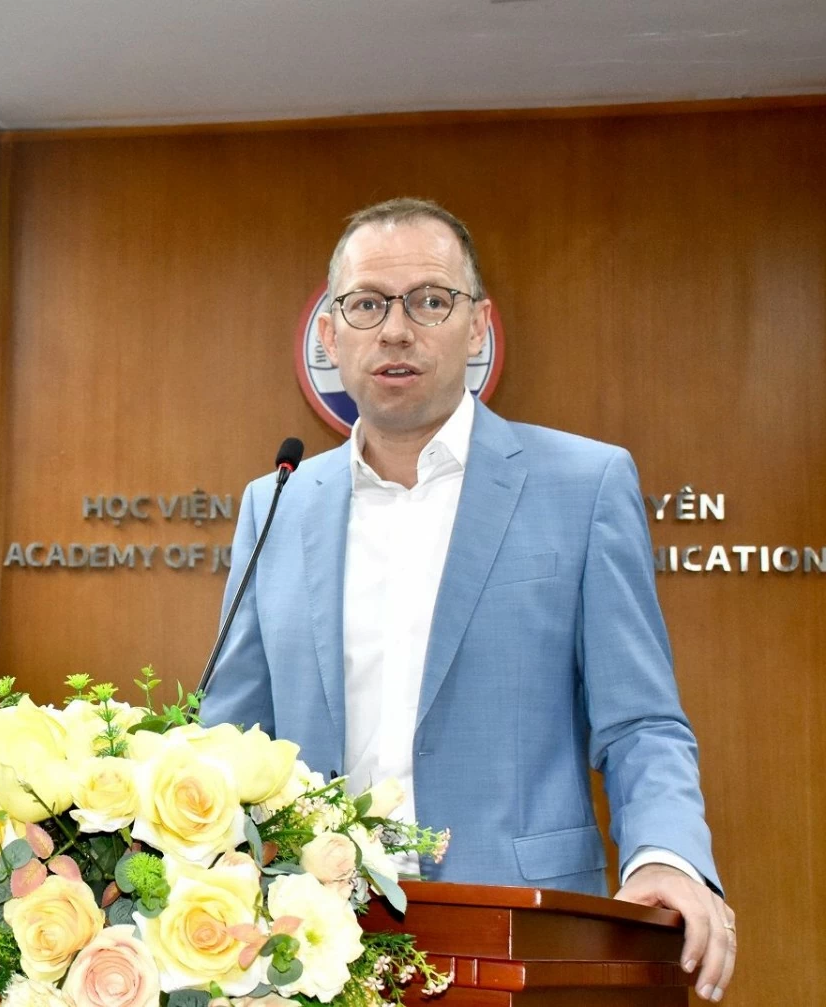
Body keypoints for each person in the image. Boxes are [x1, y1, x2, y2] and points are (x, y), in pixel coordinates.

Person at [199, 198, 735, 1002]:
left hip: (523, 937)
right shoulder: (276, 503)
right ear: (329, 333)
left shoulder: (583, 485)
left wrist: (665, 854)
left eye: (430, 300)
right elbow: (230, 733)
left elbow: (642, 723)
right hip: (306, 943)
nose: (396, 329)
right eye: (367, 303)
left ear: (477, 326)